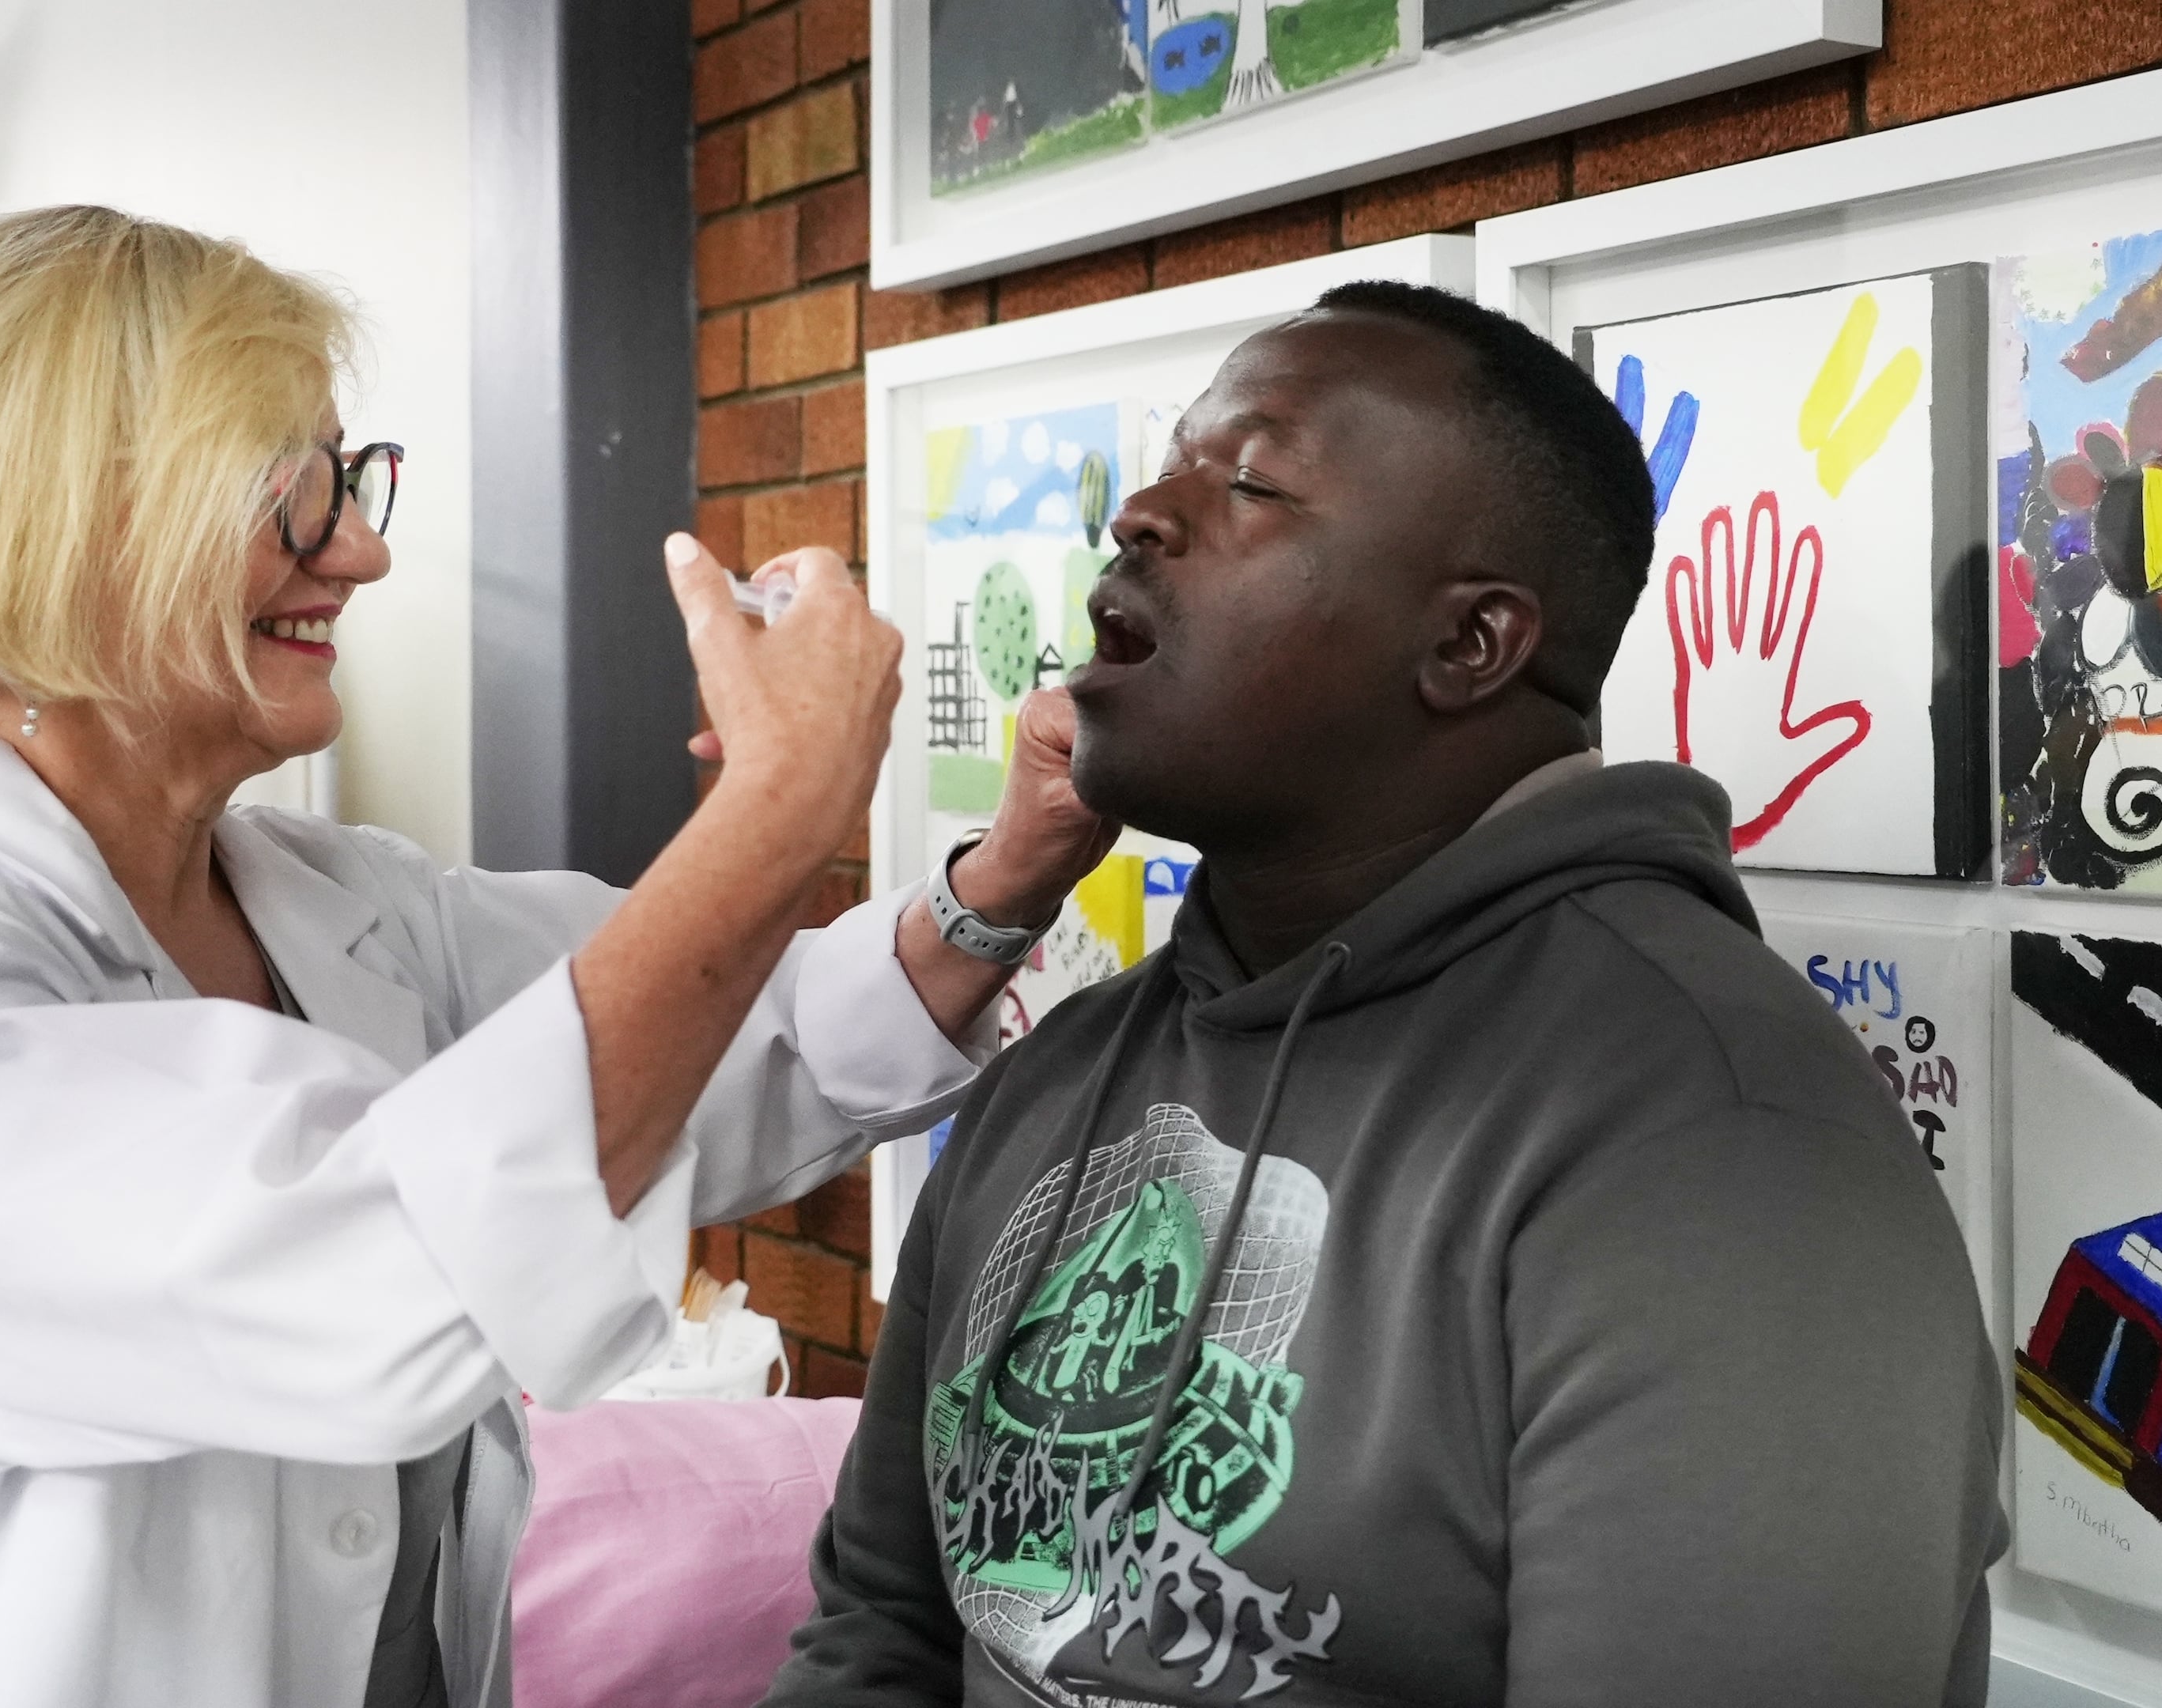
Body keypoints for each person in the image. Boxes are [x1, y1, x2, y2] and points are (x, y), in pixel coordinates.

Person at [0, 207, 1109, 1708]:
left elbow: (735, 1040)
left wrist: (1013, 867)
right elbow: (390, 1276)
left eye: (350, 482)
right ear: (59, 525)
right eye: (298, 497)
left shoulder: (332, 900)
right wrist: (777, 806)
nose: (365, 550)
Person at [768, 282, 2003, 1707]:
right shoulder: (1059, 1076)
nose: (1143, 515)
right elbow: (878, 1630)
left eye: (1248, 484)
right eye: (1172, 462)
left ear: (1470, 647)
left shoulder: (1720, 1146)